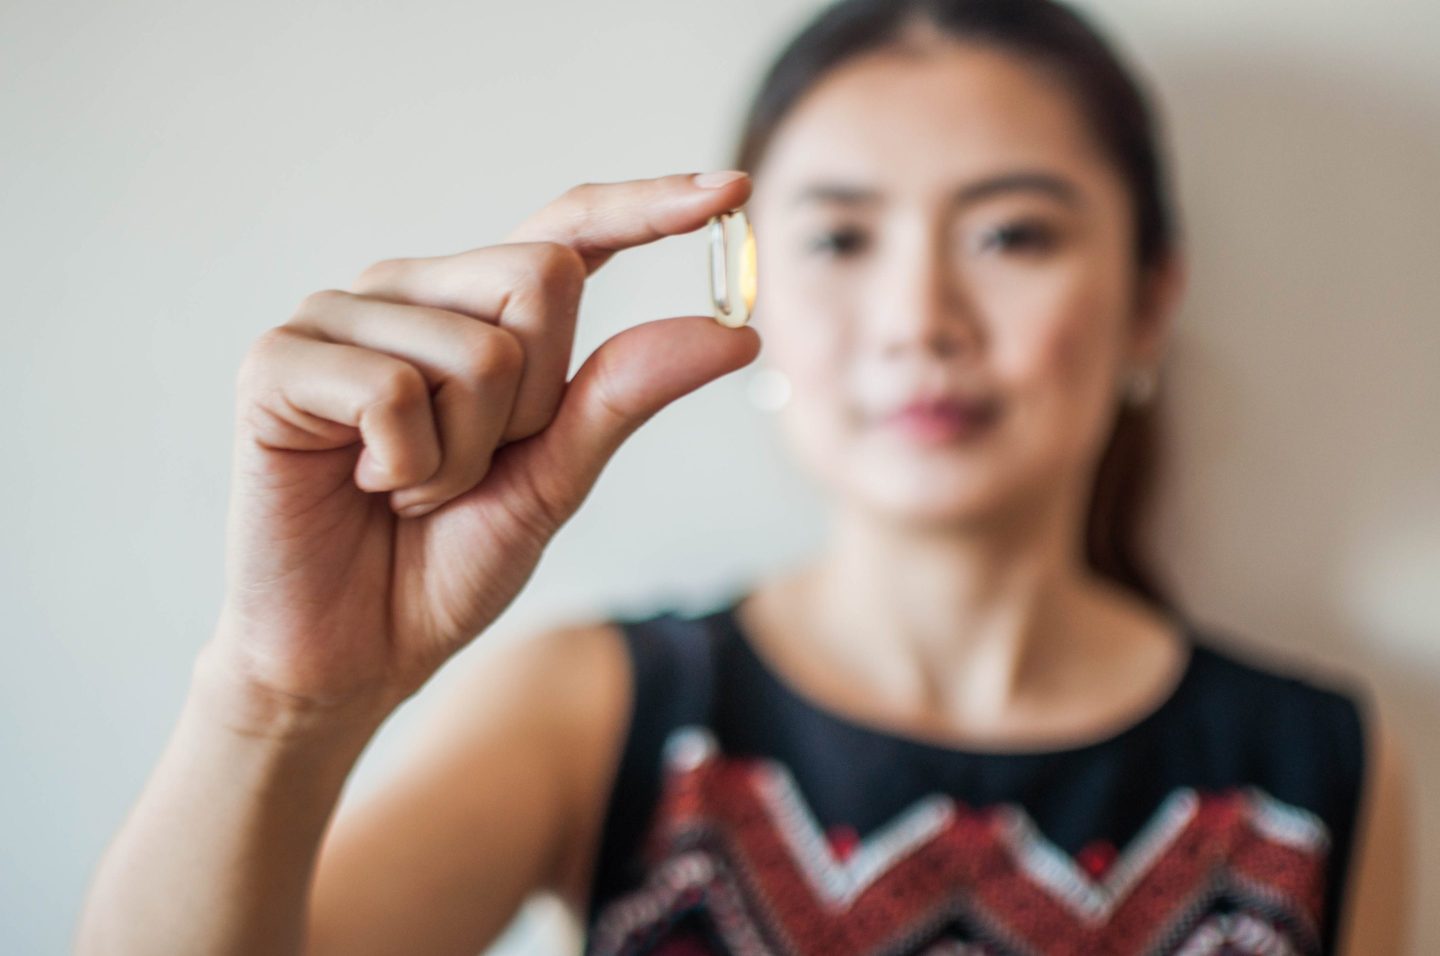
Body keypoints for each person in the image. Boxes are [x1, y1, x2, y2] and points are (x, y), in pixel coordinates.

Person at [75, 0, 1414, 953]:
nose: (916, 317)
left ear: (1146, 303)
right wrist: (278, 702)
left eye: (1012, 232)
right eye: (839, 237)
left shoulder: (1326, 764)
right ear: (755, 285)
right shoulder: (601, 712)